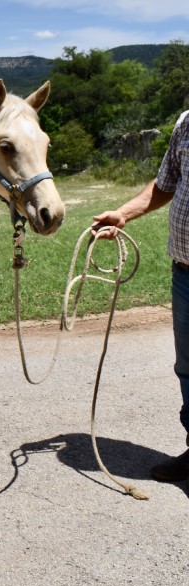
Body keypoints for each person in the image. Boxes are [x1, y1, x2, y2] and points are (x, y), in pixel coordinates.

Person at [93, 108, 189, 483]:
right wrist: (123, 213)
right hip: (184, 270)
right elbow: (166, 184)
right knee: (188, 369)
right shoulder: (185, 122)